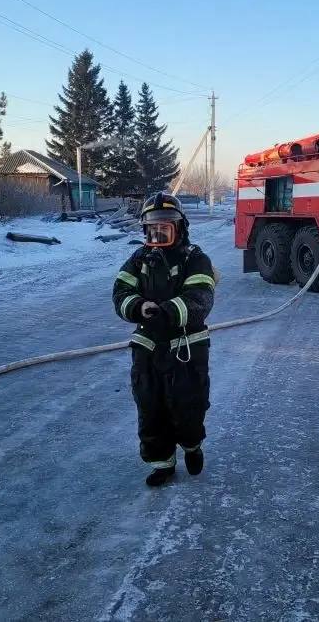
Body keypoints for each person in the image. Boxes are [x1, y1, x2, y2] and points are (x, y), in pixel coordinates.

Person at [112, 192, 217, 487]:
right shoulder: (139, 259)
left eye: (166, 226)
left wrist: (168, 311)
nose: (158, 232)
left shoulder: (195, 259)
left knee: (189, 406)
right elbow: (119, 292)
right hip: (147, 348)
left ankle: (192, 446)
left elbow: (200, 298)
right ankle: (162, 463)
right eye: (152, 226)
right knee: (150, 407)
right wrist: (137, 306)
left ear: (180, 227)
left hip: (186, 348)